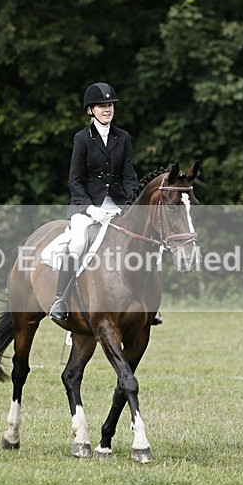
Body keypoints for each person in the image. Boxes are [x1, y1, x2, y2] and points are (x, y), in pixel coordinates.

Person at [49, 82, 162, 323]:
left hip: (117, 205)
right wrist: (90, 208)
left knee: (148, 243)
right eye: (102, 106)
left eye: (109, 105)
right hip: (86, 207)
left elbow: (129, 175)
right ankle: (60, 298)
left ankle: (147, 302)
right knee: (78, 243)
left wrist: (131, 204)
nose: (107, 109)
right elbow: (75, 180)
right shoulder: (82, 139)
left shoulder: (123, 137)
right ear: (91, 110)